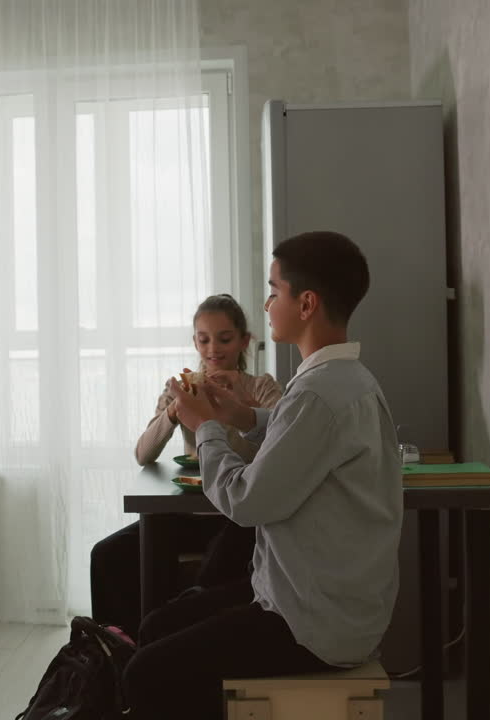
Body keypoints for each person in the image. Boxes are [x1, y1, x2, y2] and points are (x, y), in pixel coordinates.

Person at [122, 231, 404, 720]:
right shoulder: (344, 381)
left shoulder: (318, 393)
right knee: (159, 626)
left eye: (274, 290)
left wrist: (204, 425)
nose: (267, 302)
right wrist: (241, 416)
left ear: (306, 303)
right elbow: (298, 432)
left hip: (313, 622)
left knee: (144, 673)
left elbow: (245, 502)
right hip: (313, 597)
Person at [89, 294, 282, 636]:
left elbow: (279, 451)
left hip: (237, 516)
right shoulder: (182, 387)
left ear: (243, 341)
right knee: (106, 555)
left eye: (224, 339)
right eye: (204, 339)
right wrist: (173, 412)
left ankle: (160, 641)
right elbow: (143, 454)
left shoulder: (262, 388)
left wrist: (244, 407)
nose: (213, 349)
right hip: (188, 512)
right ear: (195, 341)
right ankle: (119, 651)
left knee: (207, 568)